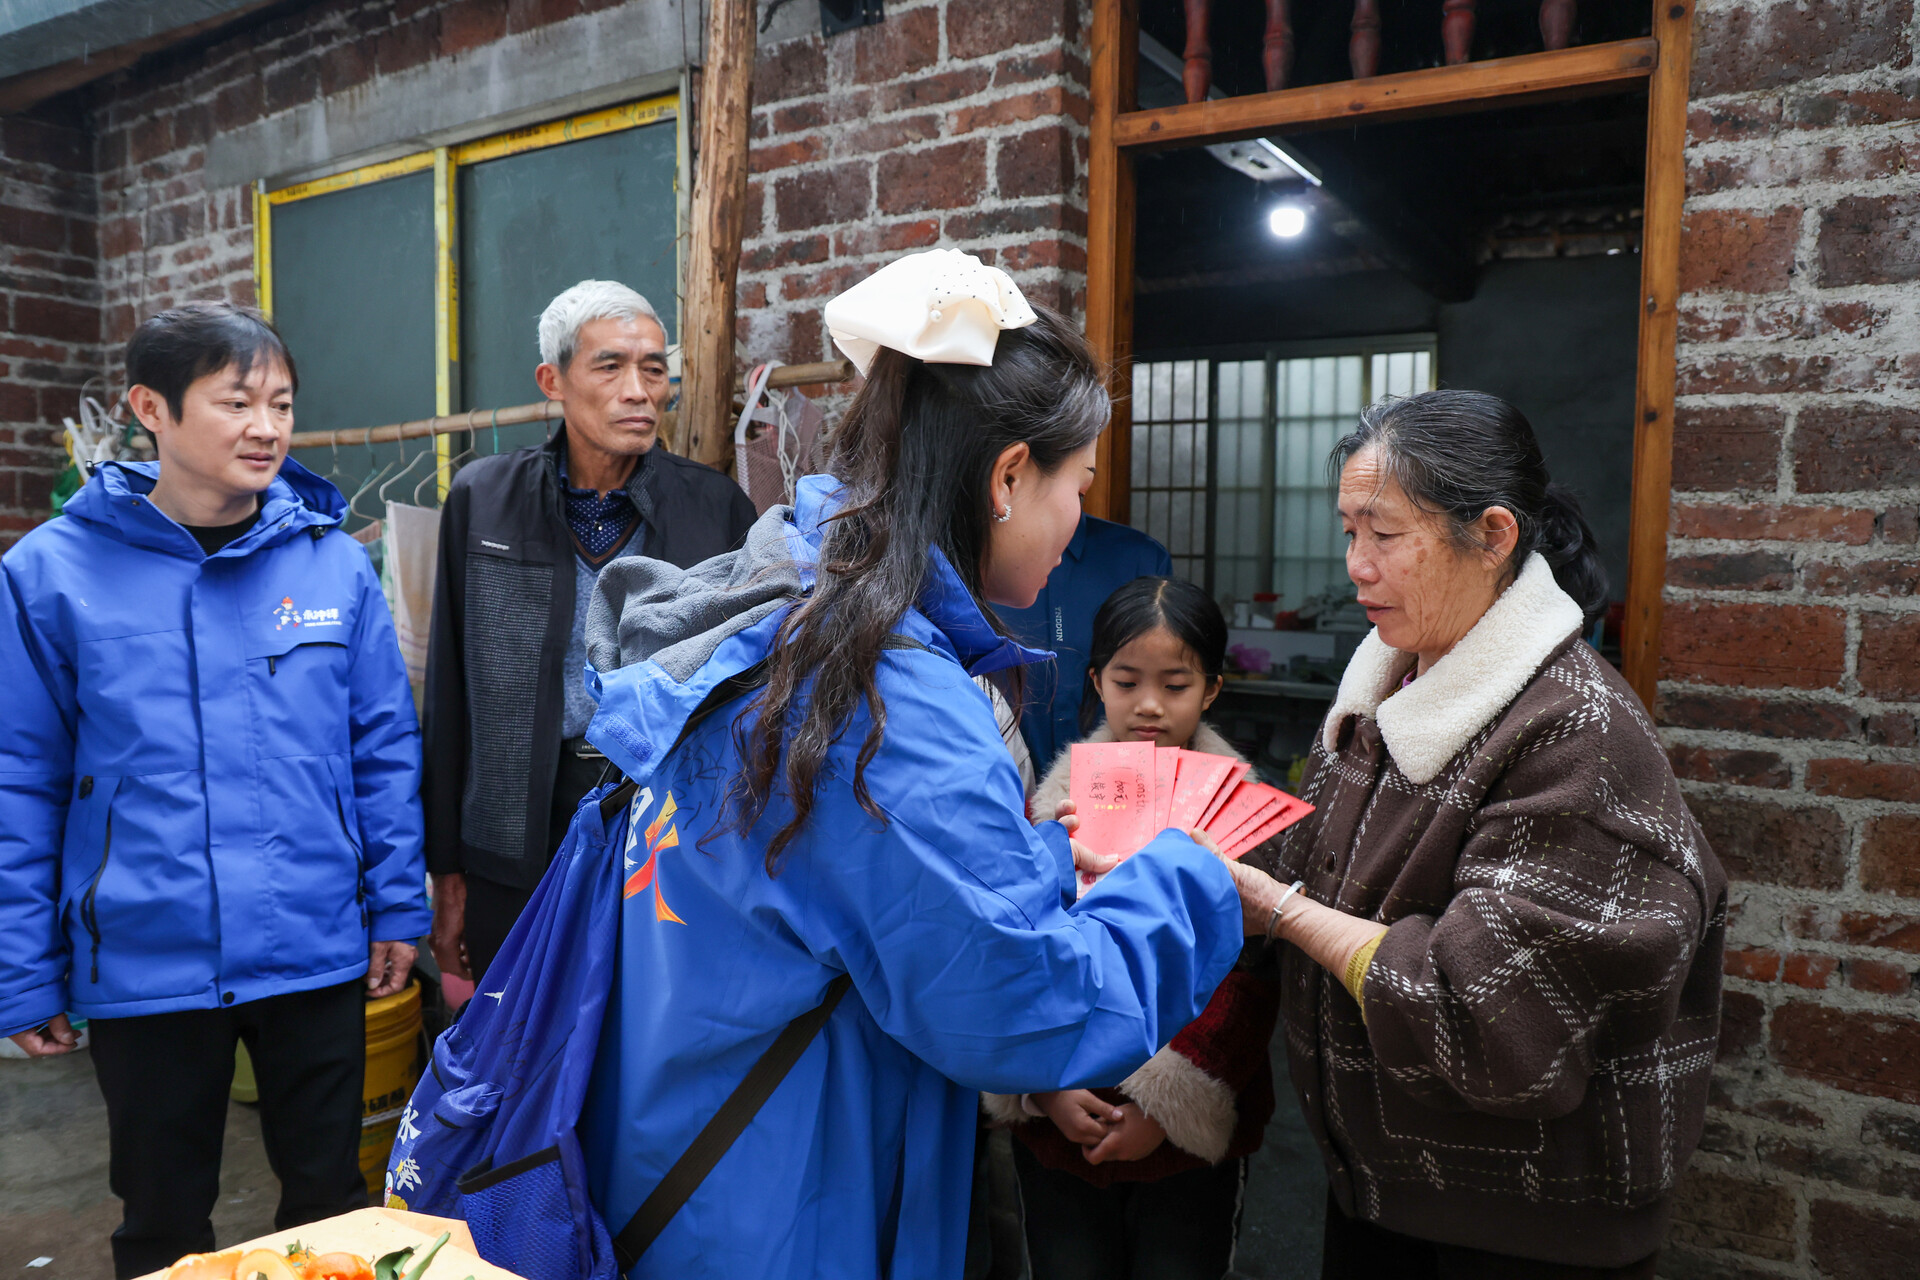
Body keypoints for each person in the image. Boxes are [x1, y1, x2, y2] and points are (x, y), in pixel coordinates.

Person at [574, 249, 1295, 1279]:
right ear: (1008, 475)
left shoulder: (794, 599)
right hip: (795, 1198)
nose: (1078, 518)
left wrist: (1027, 859)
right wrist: (1188, 871)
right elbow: (1024, 1005)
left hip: (690, 1145)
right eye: (1076, 483)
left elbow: (854, 883)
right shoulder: (890, 696)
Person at [0, 302, 430, 1278]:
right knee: (161, 1218)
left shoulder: (331, 562)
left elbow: (383, 747)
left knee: (331, 1205)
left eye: (281, 402)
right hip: (149, 961)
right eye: (237, 400)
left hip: (313, 948)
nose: (267, 426)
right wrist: (23, 962)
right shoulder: (49, 576)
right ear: (151, 406)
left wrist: (396, 899)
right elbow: (19, 778)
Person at [1261, 390, 1726, 1279]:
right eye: (1348, 530)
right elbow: (1308, 855)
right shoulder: (1388, 681)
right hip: (1382, 1190)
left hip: (1520, 1223)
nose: (1356, 565)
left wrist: (1279, 911)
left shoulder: (1576, 731)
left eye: (1384, 535)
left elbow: (1486, 1015)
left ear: (1496, 536)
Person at [422, 279, 756, 983]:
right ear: (554, 381)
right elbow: (450, 693)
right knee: (517, 1040)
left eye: (654, 368)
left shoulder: (715, 510)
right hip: (514, 830)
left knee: (642, 1039)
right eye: (610, 366)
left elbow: (748, 691)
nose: (638, 390)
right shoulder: (484, 501)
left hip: (664, 830)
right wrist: (445, 871)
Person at [989, 576, 1281, 1280]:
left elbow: (1250, 981)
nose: (1149, 705)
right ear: (1097, 681)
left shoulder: (1246, 816)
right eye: (1127, 681)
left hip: (1182, 1147)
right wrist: (1042, 1091)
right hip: (1059, 1128)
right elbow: (1017, 955)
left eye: (1176, 685)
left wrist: (1166, 1105)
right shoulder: (1046, 810)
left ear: (1212, 688)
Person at [1000, 514, 1170, 775]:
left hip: (1122, 788)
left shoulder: (1139, 558)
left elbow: (1167, 684)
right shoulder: (973, 552)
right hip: (997, 789)